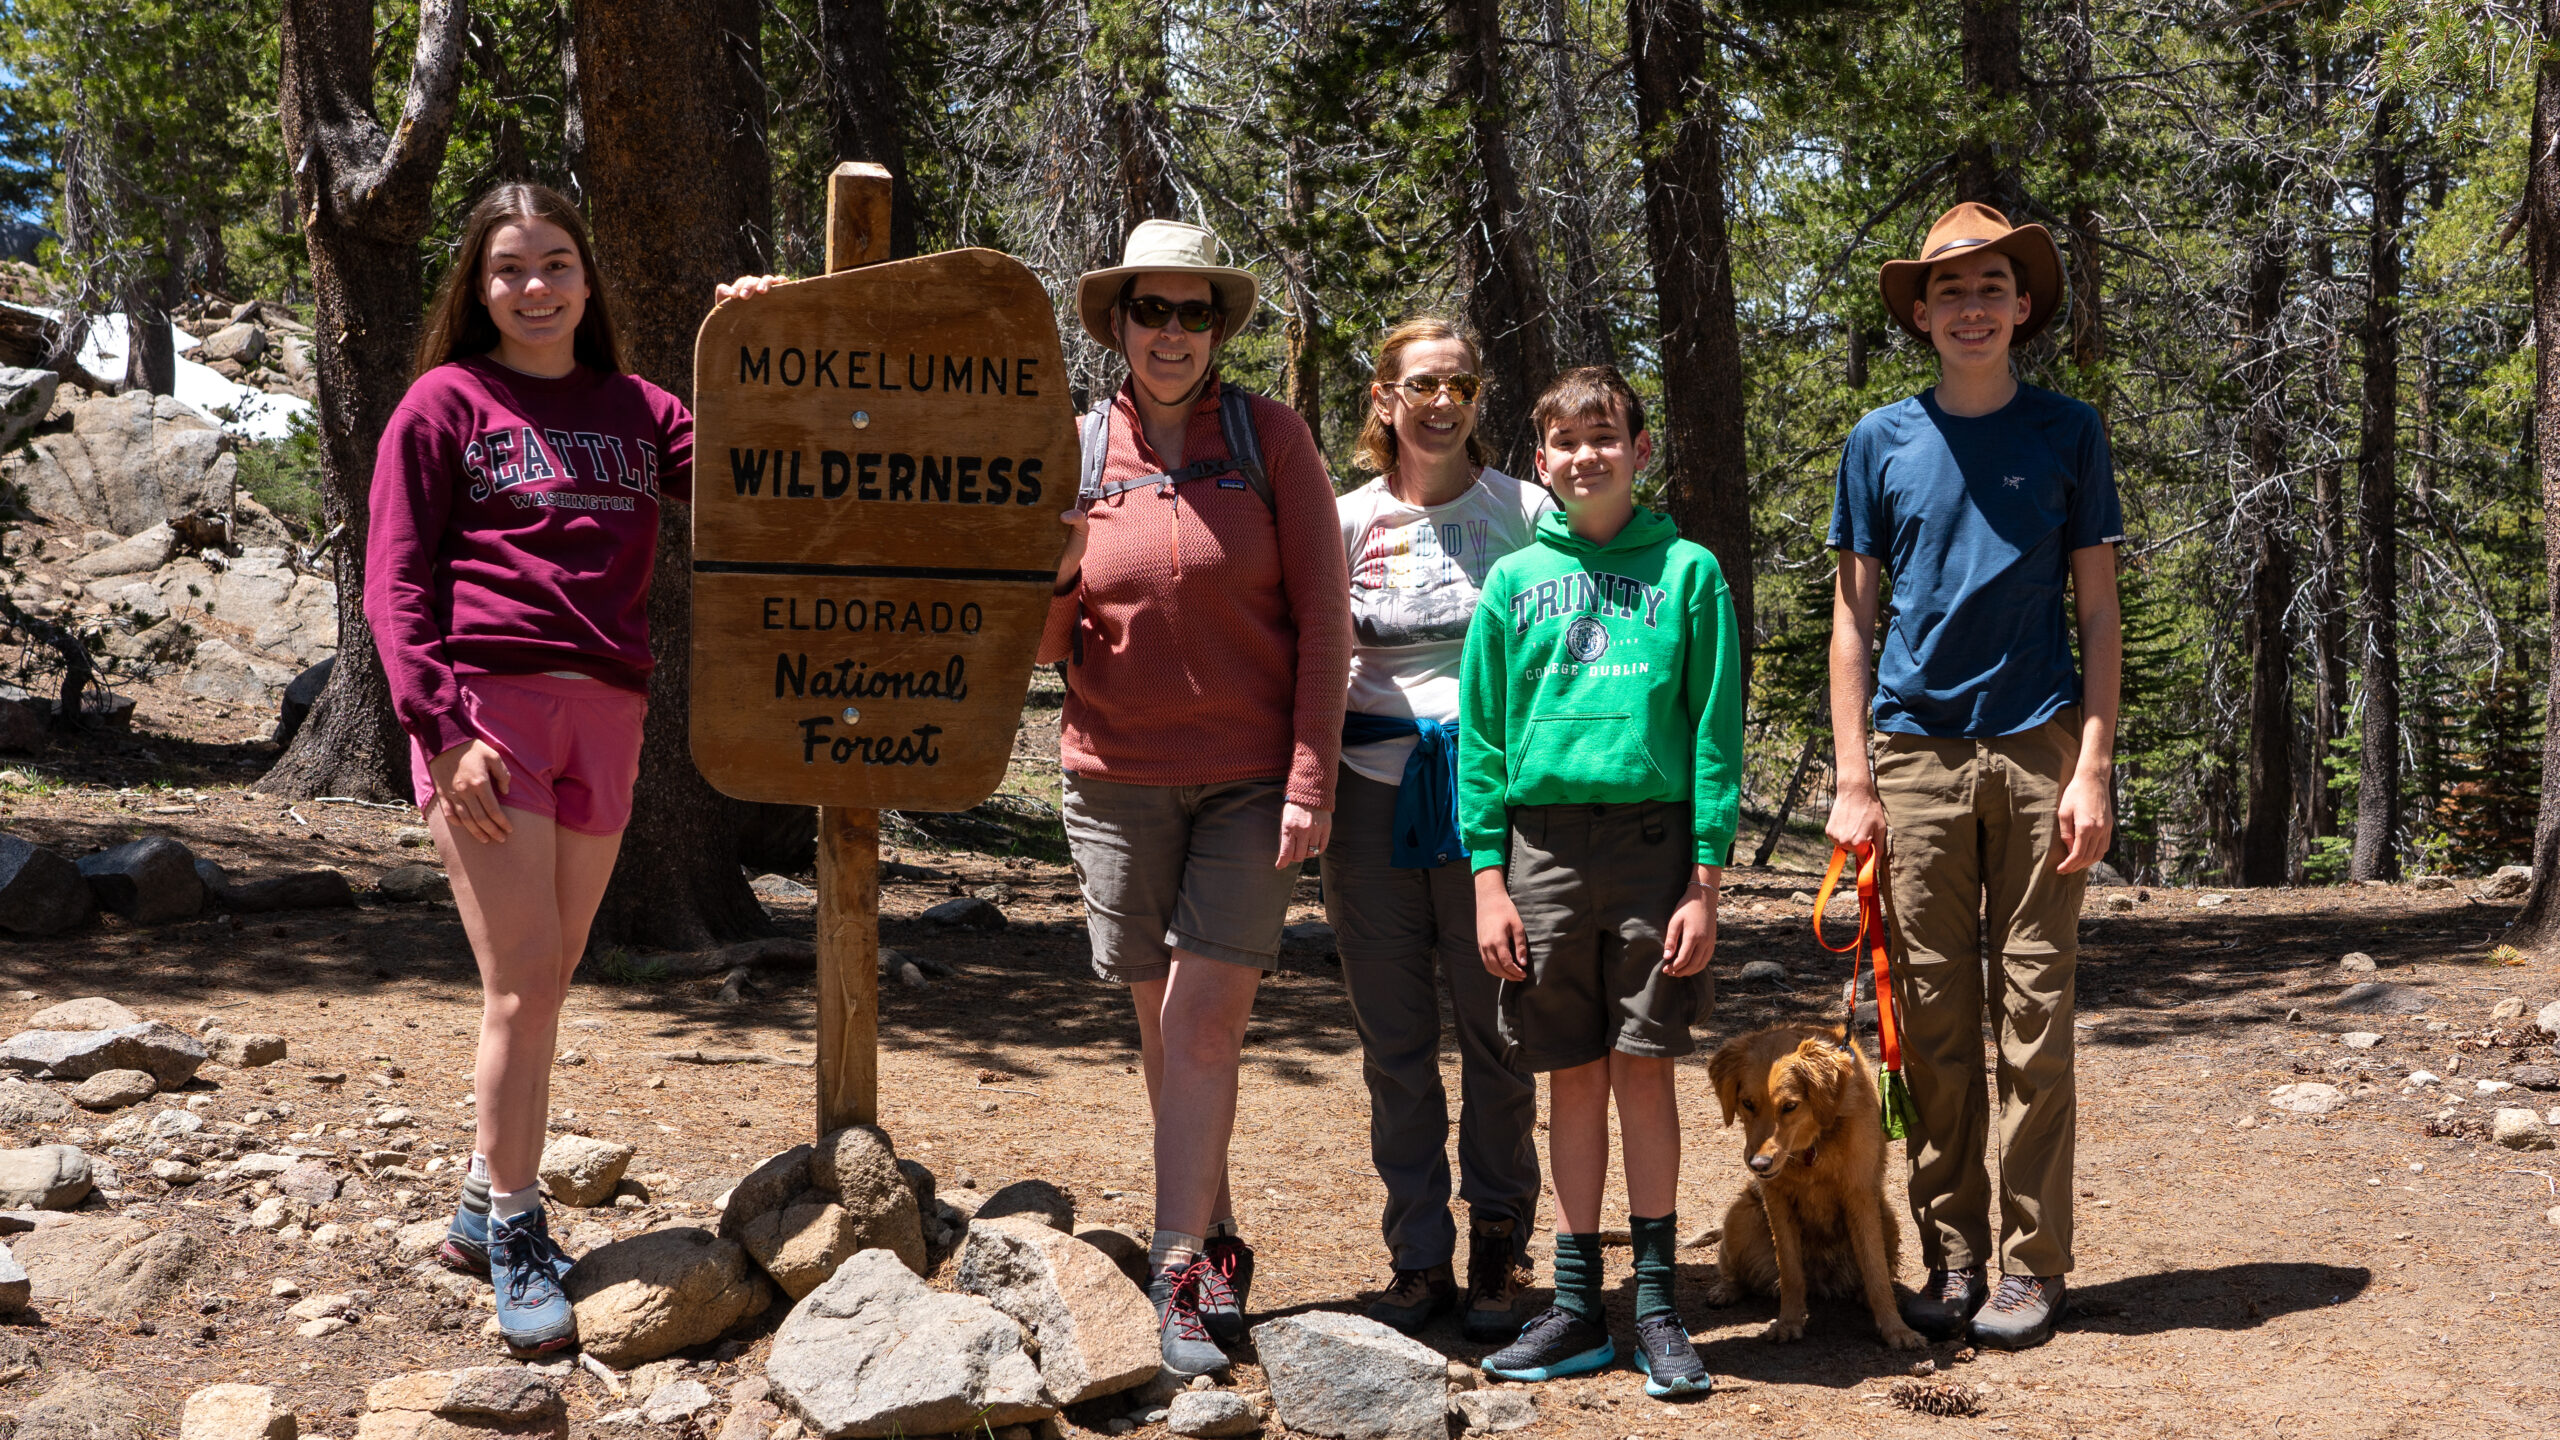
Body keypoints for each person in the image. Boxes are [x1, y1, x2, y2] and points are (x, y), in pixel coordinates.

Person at [368, 184, 757, 1356]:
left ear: (589, 281)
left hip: (611, 714)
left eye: (554, 266)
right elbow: (392, 582)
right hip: (488, 717)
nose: (534, 288)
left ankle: (481, 1200)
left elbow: (759, 459)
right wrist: (441, 728)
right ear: (476, 290)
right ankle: (521, 1235)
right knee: (522, 983)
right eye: (509, 270)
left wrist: (758, 333)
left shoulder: (639, 409)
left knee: (552, 974)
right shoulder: (446, 403)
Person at [1037, 220, 1352, 1375]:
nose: (1172, 333)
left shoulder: (1271, 441)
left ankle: (1175, 1271)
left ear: (1218, 327)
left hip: (1250, 784)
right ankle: (1215, 1234)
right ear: (1117, 322)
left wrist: (1309, 779)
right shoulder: (1075, 450)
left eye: (1193, 313)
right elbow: (1038, 649)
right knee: (1158, 1030)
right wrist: (1061, 570)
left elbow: (1326, 620)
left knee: (1204, 1023)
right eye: (1151, 311)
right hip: (1112, 780)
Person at [1825, 202, 2123, 1352]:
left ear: (2022, 306)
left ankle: (2030, 1269)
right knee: (1933, 1025)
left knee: (2034, 1024)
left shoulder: (2068, 433)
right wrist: (1854, 780)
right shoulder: (1879, 443)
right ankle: (1951, 1257)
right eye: (1949, 290)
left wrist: (2090, 770)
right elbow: (1854, 623)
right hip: (1913, 759)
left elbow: (2095, 612)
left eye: (1992, 286)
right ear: (1919, 313)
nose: (1971, 307)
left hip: (2041, 746)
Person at [1459, 366, 1742, 1398]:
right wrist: (1488, 878)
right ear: (1540, 463)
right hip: (1539, 851)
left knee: (1641, 1065)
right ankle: (1579, 1308)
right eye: (1565, 443)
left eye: (1605, 436)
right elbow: (1481, 740)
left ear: (1640, 449)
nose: (1587, 456)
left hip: (1653, 845)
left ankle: (1657, 1305)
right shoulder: (1511, 581)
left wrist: (1703, 882)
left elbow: (1713, 735)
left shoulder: (1688, 573)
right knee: (1570, 1071)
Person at [1326, 317, 1547, 1342]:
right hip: (1367, 799)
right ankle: (1417, 1257)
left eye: (1460, 381)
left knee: (1498, 1034)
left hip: (1488, 804)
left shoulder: (1527, 511)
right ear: (1383, 399)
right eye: (1420, 383)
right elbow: (1315, 660)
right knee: (1394, 1045)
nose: (1441, 400)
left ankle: (1499, 1240)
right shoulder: (1345, 519)